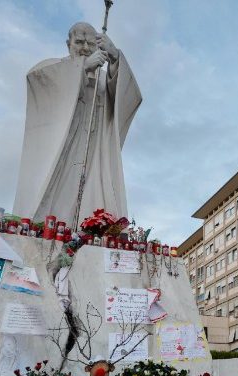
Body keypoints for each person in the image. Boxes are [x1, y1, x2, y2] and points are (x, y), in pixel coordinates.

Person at [13, 21, 142, 225]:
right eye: (79, 42)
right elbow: (36, 80)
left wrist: (116, 57)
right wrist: (82, 68)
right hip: (63, 150)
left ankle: (91, 227)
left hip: (93, 153)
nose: (84, 48)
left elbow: (129, 97)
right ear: (68, 44)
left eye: (90, 44)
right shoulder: (54, 70)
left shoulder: (103, 79)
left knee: (94, 199)